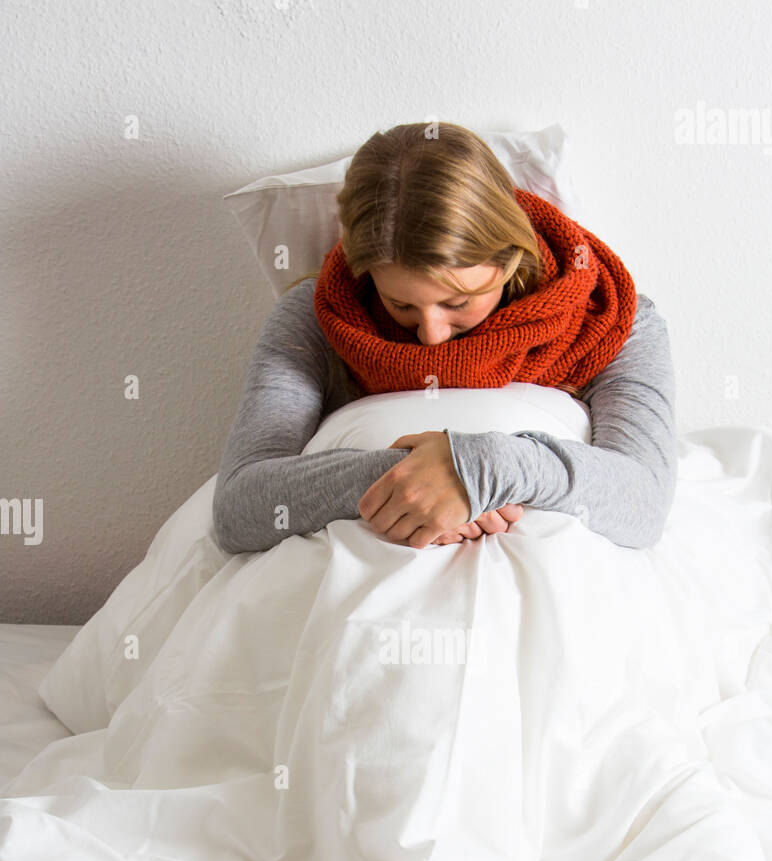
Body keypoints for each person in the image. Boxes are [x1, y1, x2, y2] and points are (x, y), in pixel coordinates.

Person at [213, 122, 676, 554]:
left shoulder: (610, 318)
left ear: (511, 257)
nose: (432, 337)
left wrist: (481, 468)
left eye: (457, 303)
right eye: (401, 305)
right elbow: (239, 508)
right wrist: (411, 481)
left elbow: (643, 502)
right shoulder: (318, 314)